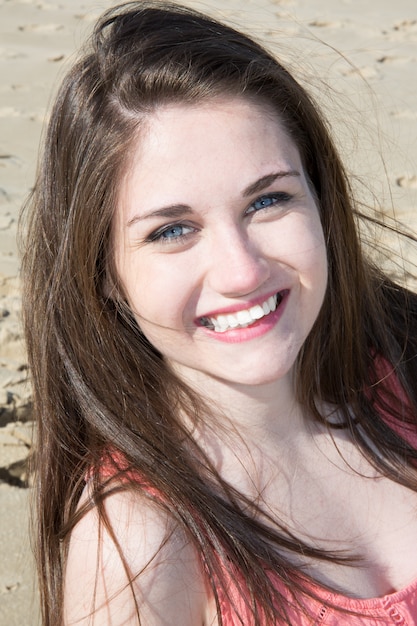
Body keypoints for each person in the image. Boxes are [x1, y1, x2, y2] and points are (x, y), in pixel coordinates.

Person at [20, 1, 417, 624]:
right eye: (173, 230)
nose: (243, 271)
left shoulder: (403, 352)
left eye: (269, 200)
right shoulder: (140, 543)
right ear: (105, 276)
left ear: (321, 200)